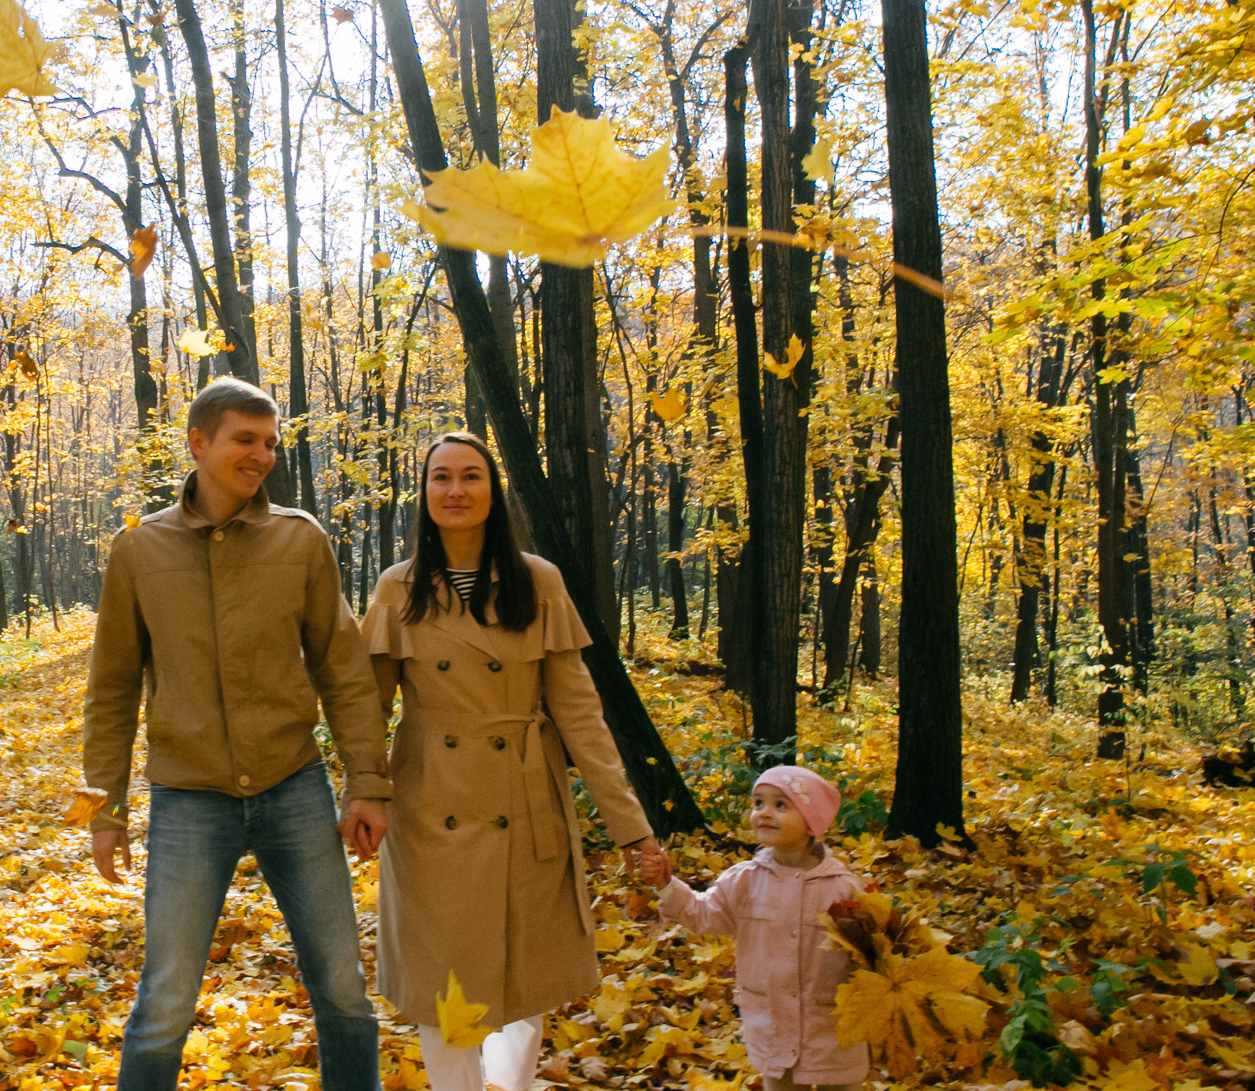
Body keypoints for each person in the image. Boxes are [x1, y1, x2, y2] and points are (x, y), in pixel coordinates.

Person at [81, 378, 391, 1091]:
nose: (262, 455)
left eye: (271, 442)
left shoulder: (300, 539)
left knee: (343, 987)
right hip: (189, 798)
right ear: (198, 442)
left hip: (294, 785)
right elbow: (111, 690)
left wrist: (368, 783)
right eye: (245, 440)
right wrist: (104, 811)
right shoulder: (139, 549)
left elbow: (344, 671)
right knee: (165, 1001)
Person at [360, 431, 663, 1091]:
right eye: (441, 477)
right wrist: (363, 793)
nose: (456, 490)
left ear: (494, 491)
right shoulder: (397, 587)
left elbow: (580, 713)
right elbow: (368, 710)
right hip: (430, 807)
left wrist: (632, 828)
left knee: (525, 979)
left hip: (523, 800)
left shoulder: (538, 581)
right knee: (444, 983)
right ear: (424, 492)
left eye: (471, 476)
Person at [641, 765, 868, 1091]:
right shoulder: (744, 881)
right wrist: (666, 885)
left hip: (832, 1029)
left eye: (781, 804)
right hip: (773, 1024)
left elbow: (873, 951)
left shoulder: (844, 889)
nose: (764, 812)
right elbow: (702, 913)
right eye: (758, 803)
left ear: (812, 822)